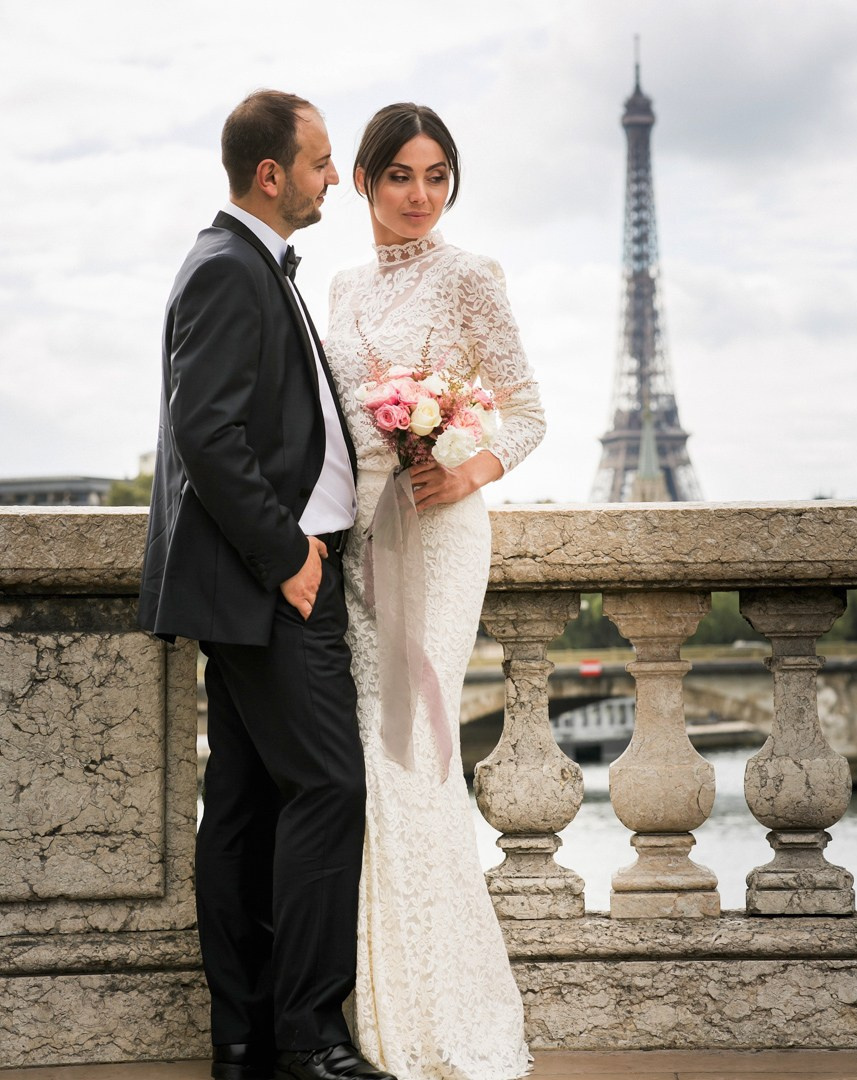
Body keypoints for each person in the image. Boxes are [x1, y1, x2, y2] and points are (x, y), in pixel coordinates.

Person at [138, 90, 395, 1080]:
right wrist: (289, 555)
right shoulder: (228, 270)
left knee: (244, 806)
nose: (338, 177)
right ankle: (311, 1038)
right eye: (324, 162)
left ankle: (243, 1039)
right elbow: (209, 435)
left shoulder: (242, 265)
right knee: (330, 785)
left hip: (256, 582)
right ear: (272, 174)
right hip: (274, 582)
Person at [325, 104, 545, 1080]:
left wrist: (466, 471)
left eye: (439, 175)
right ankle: (380, 997)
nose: (422, 195)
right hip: (359, 540)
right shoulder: (339, 287)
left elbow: (530, 411)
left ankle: (434, 1012)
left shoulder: (469, 277)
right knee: (373, 762)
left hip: (442, 528)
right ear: (366, 180)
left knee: (412, 751)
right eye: (402, 175)